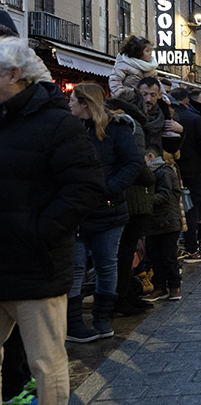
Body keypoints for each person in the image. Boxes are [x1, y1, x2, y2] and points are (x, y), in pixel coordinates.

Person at [0, 38, 103, 405]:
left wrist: (39, 232)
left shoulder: (56, 124)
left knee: (45, 360)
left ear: (13, 75)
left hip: (35, 261)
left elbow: (85, 187)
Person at [66, 83, 145, 343]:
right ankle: (74, 325)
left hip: (108, 210)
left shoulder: (117, 129)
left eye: (74, 100)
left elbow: (133, 163)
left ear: (86, 103)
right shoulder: (67, 130)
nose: (70, 105)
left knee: (106, 265)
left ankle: (102, 320)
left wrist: (109, 189)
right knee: (75, 268)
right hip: (76, 210)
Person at [107, 89, 156, 316]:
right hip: (133, 194)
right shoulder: (132, 123)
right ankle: (122, 298)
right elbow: (135, 161)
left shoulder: (112, 119)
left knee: (124, 249)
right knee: (126, 250)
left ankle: (125, 295)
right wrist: (151, 178)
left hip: (121, 191)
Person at [171, 87, 201, 263]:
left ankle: (177, 247)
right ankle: (191, 248)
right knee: (191, 209)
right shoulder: (194, 119)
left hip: (171, 170)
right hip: (193, 170)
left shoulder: (165, 117)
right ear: (188, 101)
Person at [143, 144, 183, 302]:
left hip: (167, 221)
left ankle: (174, 287)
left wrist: (145, 200)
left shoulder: (163, 172)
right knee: (155, 257)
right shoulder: (155, 172)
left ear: (150, 156)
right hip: (156, 222)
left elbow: (165, 194)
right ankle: (160, 287)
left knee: (168, 256)